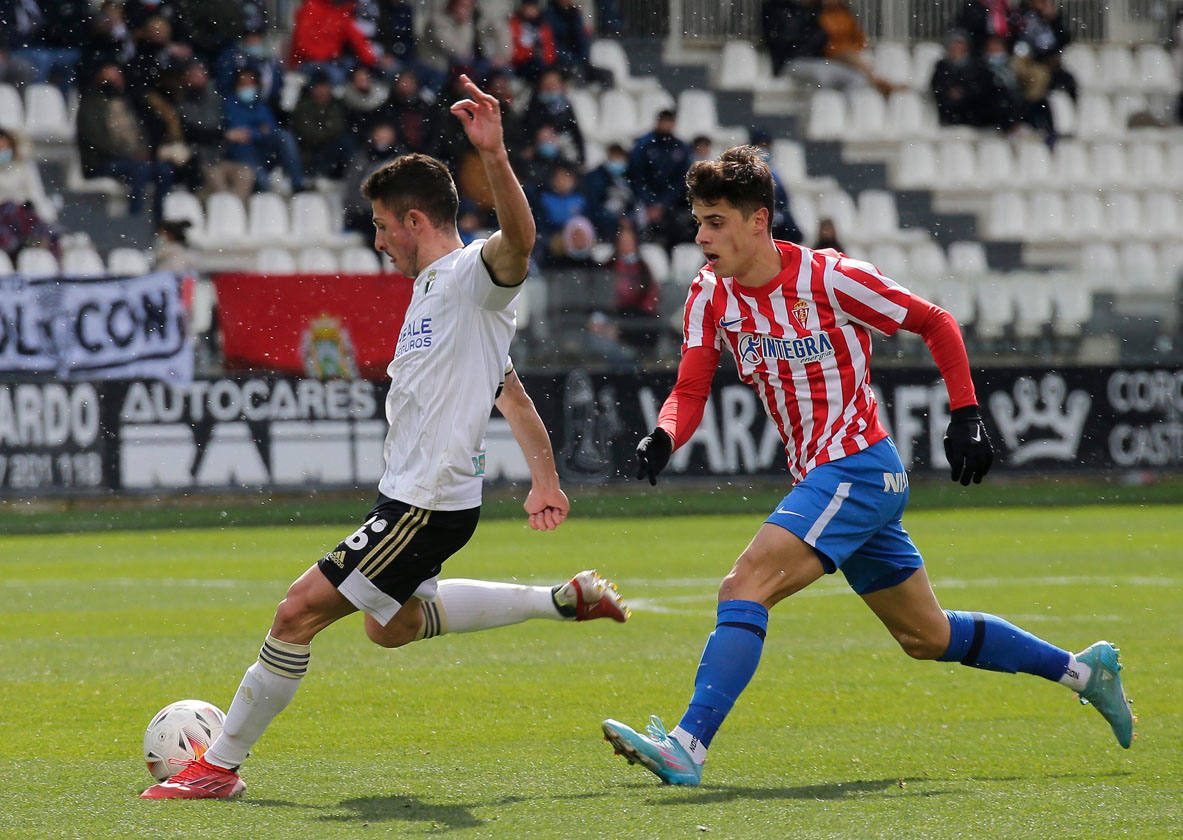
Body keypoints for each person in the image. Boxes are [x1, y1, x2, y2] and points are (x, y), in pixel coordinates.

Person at [140, 75, 630, 800]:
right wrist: (546, 479)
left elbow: (520, 240)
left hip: (424, 504)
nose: (376, 242)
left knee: (295, 612)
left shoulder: (472, 275)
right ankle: (560, 600)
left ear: (412, 219)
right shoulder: (437, 295)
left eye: (380, 226)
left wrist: (493, 155)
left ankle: (218, 767)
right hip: (414, 497)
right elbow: (512, 390)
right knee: (391, 626)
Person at [600, 145, 1135, 787]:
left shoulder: (829, 278)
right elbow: (688, 391)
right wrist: (663, 436)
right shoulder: (708, 297)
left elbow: (935, 322)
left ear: (758, 220)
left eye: (715, 220)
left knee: (744, 587)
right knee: (926, 637)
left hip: (855, 462)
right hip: (834, 479)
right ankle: (1085, 671)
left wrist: (965, 414)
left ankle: (688, 745)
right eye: (699, 220)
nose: (702, 234)